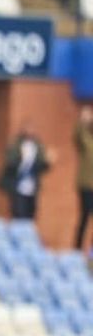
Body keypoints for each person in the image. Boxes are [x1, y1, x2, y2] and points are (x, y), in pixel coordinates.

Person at [0, 122, 53, 222]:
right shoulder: (15, 145)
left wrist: (48, 161)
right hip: (17, 186)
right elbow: (9, 163)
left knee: (30, 216)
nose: (30, 131)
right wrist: (22, 159)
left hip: (32, 187)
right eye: (28, 129)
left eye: (32, 129)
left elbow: (41, 167)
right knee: (19, 216)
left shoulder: (38, 146)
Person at [77, 106, 93, 253]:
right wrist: (82, 121)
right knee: (85, 215)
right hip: (87, 185)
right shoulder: (87, 141)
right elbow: (78, 136)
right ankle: (77, 247)